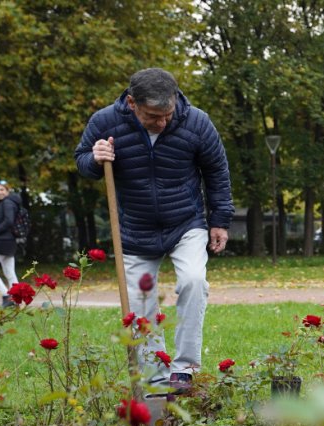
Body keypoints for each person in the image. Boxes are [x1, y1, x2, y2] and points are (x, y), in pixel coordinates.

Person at [74, 68, 234, 393]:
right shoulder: (105, 123)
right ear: (132, 103)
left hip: (185, 222)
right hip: (134, 228)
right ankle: (156, 380)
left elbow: (217, 170)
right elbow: (82, 159)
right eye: (153, 116)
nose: (162, 122)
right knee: (140, 303)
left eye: (167, 115)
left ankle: (184, 370)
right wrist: (94, 158)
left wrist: (220, 220)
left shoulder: (197, 122)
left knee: (193, 281)